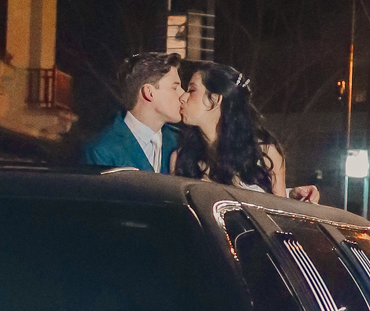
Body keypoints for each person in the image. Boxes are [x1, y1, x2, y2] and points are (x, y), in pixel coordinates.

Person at [172, 61, 319, 201]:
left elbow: (279, 211)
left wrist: (292, 195)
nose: (182, 97)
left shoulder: (265, 153)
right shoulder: (181, 158)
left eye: (191, 90)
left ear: (215, 99)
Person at [81, 51, 183, 172]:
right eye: (175, 88)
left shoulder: (180, 141)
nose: (183, 95)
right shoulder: (101, 149)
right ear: (149, 93)